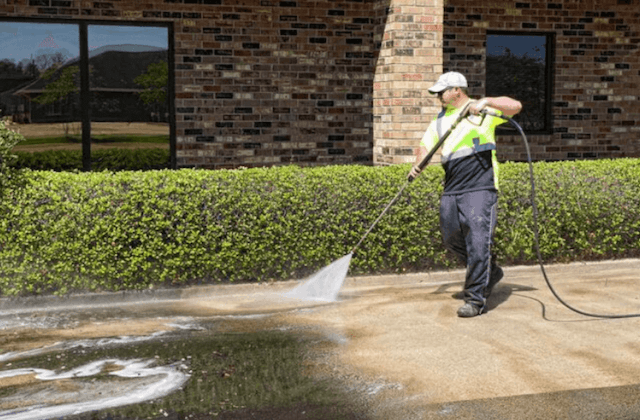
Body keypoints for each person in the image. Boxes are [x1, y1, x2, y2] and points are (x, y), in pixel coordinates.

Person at [408, 71, 522, 318]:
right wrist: (419, 162)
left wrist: (487, 102)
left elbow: (516, 106)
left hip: (480, 187)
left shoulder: (482, 113)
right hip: (452, 187)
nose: (438, 96)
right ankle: (489, 271)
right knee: (451, 237)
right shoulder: (439, 120)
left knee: (478, 241)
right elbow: (426, 144)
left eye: (442, 92)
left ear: (456, 91)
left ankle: (475, 299)